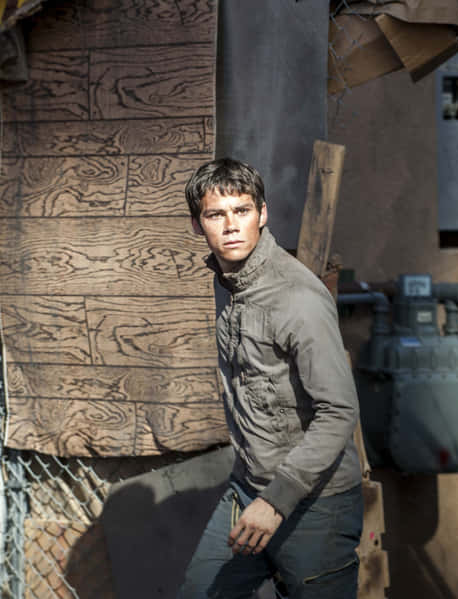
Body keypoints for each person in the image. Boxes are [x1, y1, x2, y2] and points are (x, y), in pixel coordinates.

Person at [179, 158, 363, 598]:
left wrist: (276, 499)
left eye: (242, 211)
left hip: (315, 504)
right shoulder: (230, 282)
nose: (230, 226)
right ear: (197, 225)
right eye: (215, 215)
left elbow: (339, 411)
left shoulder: (297, 298)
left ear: (262, 214)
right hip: (248, 488)